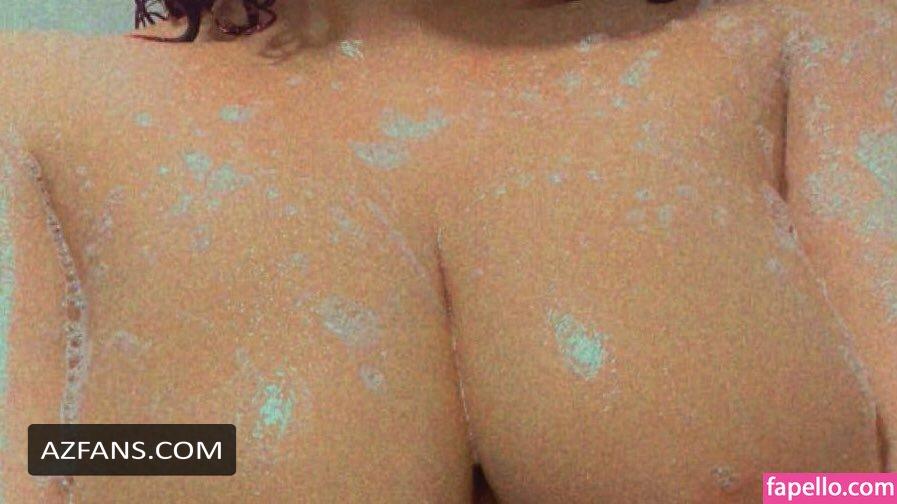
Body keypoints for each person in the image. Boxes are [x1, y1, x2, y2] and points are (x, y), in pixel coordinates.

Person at [0, 0, 895, 501]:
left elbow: (876, 488)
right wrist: (189, 449)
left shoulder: (809, 38)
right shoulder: (39, 102)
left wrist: (802, 489)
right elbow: (43, 456)